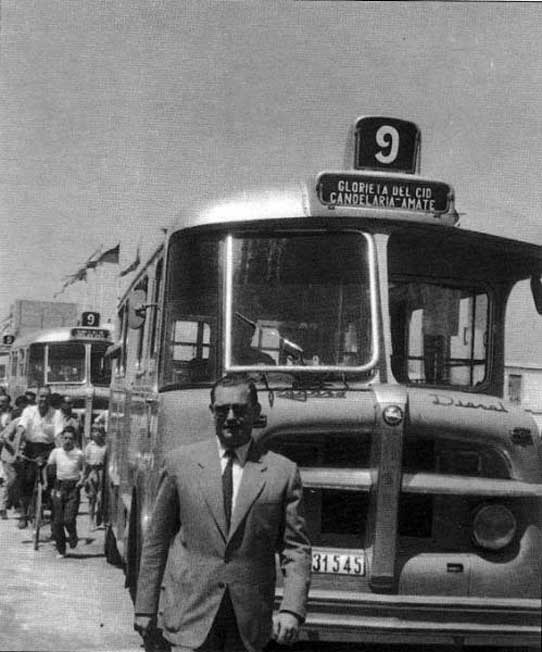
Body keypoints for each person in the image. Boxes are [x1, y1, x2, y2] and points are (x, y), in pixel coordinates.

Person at [134, 376, 311, 652]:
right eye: (221, 410)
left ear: (255, 411)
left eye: (239, 409)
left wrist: (292, 609)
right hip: (188, 616)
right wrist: (145, 607)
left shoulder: (282, 472)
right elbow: (156, 540)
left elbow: (296, 549)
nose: (230, 417)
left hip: (248, 624)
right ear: (211, 412)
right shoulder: (180, 464)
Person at [15, 386, 64, 528]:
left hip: (48, 449)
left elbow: (58, 436)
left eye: (46, 396)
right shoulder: (28, 411)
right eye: (41, 396)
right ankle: (23, 514)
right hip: (31, 448)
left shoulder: (57, 414)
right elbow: (21, 430)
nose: (44, 399)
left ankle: (52, 513)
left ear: (50, 399)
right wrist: (17, 451)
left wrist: (62, 454)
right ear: (37, 398)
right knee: (26, 480)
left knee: (52, 478)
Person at [47, 425, 84, 558]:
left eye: (71, 438)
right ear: (62, 438)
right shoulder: (56, 452)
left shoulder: (79, 454)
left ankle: (73, 535)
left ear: (74, 440)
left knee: (69, 519)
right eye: (65, 438)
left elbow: (85, 470)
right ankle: (61, 550)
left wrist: (82, 480)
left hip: (73, 488)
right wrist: (48, 486)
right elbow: (49, 469)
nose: (67, 441)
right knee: (57, 521)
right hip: (59, 486)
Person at [0, 399, 27, 519]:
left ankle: (18, 506)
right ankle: (3, 507)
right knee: (11, 481)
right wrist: (15, 449)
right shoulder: (16, 422)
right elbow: (5, 437)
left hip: (22, 458)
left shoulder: (30, 424)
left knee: (20, 482)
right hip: (9, 457)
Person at [82, 424, 106, 528]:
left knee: (101, 498)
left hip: (102, 472)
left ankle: (99, 516)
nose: (97, 434)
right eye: (95, 431)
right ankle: (91, 521)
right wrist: (85, 477)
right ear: (92, 433)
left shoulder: (105, 446)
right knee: (92, 498)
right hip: (92, 471)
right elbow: (85, 463)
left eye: (100, 431)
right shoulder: (89, 446)